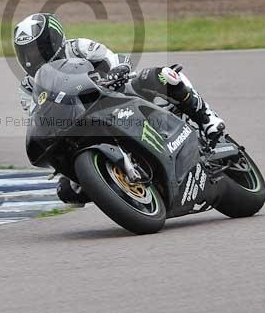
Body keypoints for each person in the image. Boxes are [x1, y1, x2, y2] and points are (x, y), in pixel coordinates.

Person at [12, 12, 226, 205]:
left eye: (37, 50)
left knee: (161, 75)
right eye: (26, 53)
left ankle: (206, 117)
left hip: (116, 94)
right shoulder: (28, 87)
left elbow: (113, 58)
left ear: (54, 40)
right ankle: (117, 185)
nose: (33, 58)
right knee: (67, 191)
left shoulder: (77, 47)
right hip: (80, 123)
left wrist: (117, 71)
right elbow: (39, 115)